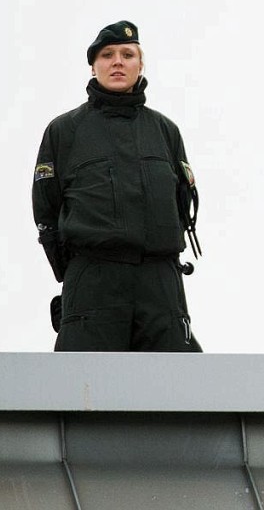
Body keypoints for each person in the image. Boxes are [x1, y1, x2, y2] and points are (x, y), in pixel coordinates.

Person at [32, 20, 203, 352]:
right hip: (93, 278)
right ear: (93, 66)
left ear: (140, 64)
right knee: (83, 385)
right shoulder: (65, 130)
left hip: (160, 281)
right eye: (107, 55)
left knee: (178, 385)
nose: (118, 62)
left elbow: (183, 202)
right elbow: (46, 207)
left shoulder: (165, 130)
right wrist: (73, 270)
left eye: (128, 54)